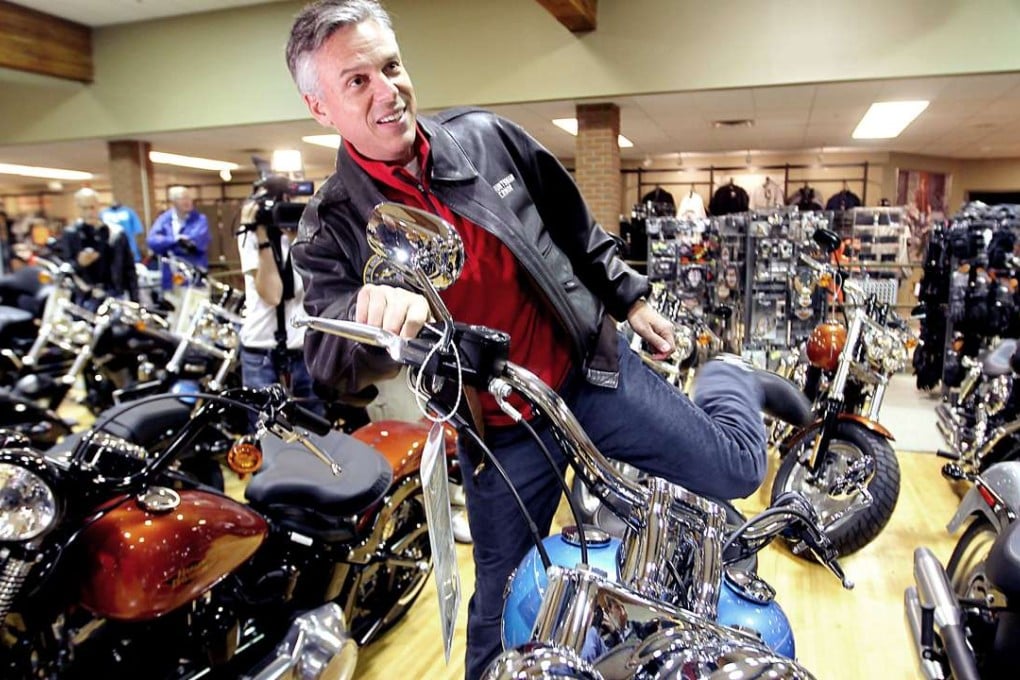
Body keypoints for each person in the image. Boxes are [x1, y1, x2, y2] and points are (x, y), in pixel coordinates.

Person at [285, 2, 766, 678]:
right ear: (319, 107)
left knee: (737, 470)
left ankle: (730, 375)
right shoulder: (332, 223)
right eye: (357, 81)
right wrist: (371, 321)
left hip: (589, 374)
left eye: (391, 67)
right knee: (498, 606)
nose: (388, 92)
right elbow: (326, 361)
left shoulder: (485, 138)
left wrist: (627, 296)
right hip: (501, 430)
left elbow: (572, 224)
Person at [235, 204, 322, 427]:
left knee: (313, 427)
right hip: (261, 352)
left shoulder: (310, 237)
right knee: (264, 429)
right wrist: (262, 237)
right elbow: (272, 295)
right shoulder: (251, 236)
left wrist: (298, 238)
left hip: (302, 350)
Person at [57, 187, 138, 307]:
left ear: (98, 206)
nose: (89, 212)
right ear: (78, 208)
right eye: (84, 208)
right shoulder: (71, 234)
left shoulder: (115, 233)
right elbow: (65, 268)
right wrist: (79, 264)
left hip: (114, 294)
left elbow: (129, 268)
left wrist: (134, 300)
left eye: (92, 207)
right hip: (85, 296)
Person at [147, 186, 211, 291]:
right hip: (170, 279)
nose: (187, 201)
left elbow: (196, 243)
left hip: (195, 277)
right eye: (183, 198)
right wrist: (175, 240)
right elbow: (152, 241)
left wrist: (168, 247)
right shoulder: (164, 220)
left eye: (189, 198)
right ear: (173, 201)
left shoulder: (200, 220)